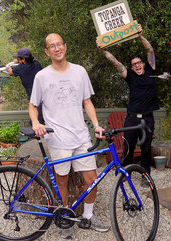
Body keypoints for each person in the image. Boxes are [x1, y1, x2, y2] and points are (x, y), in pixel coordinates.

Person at [29, 33, 110, 239]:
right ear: (47, 52)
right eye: (52, 46)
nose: (57, 48)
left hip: (81, 135)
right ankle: (65, 217)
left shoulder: (80, 71)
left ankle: (88, 216)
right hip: (57, 138)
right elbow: (32, 106)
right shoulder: (42, 76)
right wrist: (36, 122)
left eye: (59, 44)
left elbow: (87, 102)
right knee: (62, 180)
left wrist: (96, 125)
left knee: (91, 179)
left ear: (65, 47)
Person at [96, 24, 159, 179]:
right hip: (132, 118)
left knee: (146, 148)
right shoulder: (130, 75)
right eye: (134, 64)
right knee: (128, 146)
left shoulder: (151, 70)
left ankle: (146, 177)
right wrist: (103, 50)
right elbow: (116, 63)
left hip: (147, 118)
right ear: (132, 67)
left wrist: (139, 35)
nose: (137, 65)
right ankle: (126, 174)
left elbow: (150, 50)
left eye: (139, 63)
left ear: (143, 64)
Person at [6, 48, 44, 124]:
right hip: (43, 96)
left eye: (18, 58)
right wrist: (18, 61)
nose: (17, 60)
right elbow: (30, 62)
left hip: (34, 99)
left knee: (36, 122)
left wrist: (8, 67)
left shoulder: (20, 68)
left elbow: (10, 72)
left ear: (23, 60)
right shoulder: (37, 64)